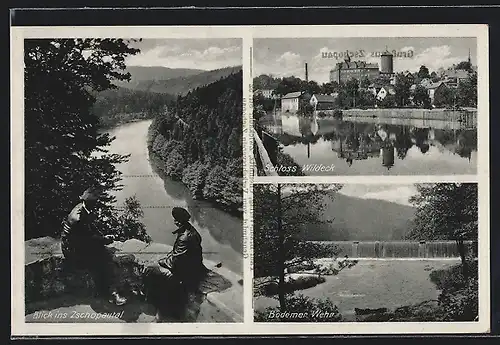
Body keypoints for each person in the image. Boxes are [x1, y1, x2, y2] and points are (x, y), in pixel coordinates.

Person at [60, 187, 127, 306]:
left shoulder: (82, 208)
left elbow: (90, 230)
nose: (96, 206)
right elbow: (89, 240)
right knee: (104, 259)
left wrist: (103, 236)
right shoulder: (78, 218)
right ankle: (112, 293)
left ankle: (105, 291)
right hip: (72, 250)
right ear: (91, 204)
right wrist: (105, 240)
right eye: (95, 204)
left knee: (102, 254)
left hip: (75, 244)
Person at [142, 207, 208, 321]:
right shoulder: (191, 230)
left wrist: (160, 261)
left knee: (150, 270)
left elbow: (175, 261)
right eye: (175, 219)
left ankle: (151, 304)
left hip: (185, 272)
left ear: (181, 221)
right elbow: (179, 253)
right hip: (192, 266)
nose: (175, 221)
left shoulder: (184, 237)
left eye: (177, 220)